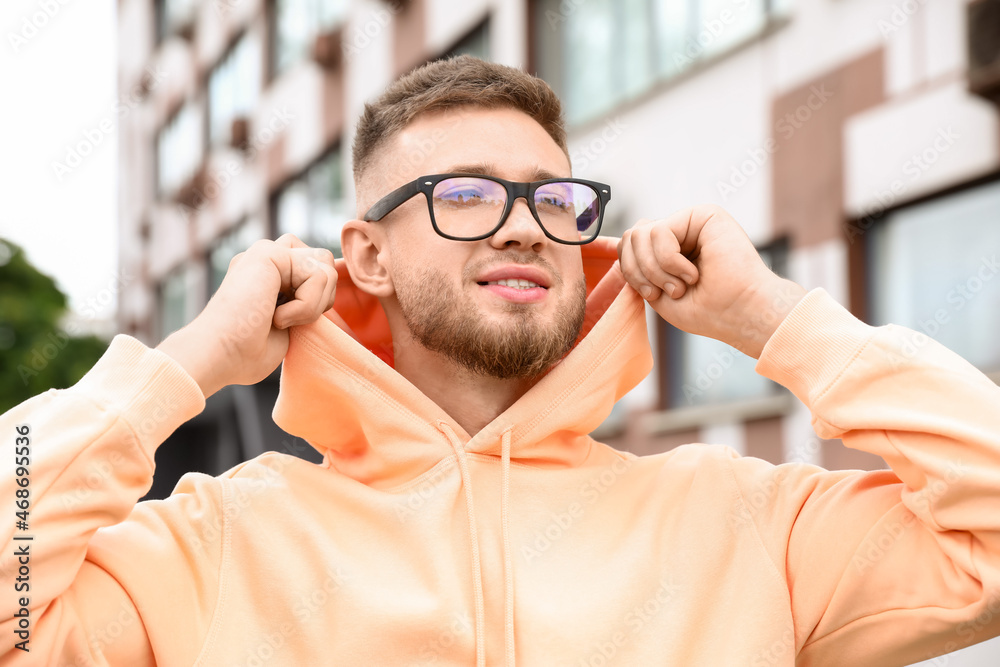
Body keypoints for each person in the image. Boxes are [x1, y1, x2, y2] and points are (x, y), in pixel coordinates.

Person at [3, 54, 1000, 667]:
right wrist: (184, 362)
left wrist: (776, 318)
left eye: (550, 201)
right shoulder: (218, 545)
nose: (523, 228)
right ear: (368, 255)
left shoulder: (745, 525)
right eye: (466, 196)